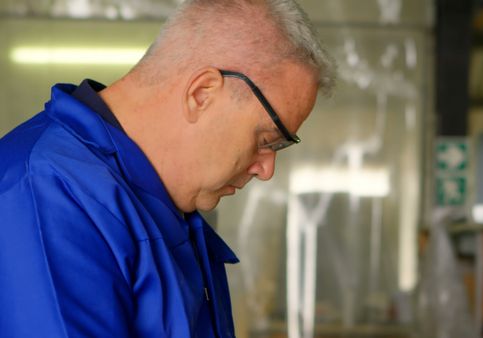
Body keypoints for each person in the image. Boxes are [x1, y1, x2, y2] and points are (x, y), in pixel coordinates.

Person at [0, 0, 335, 337]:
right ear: (202, 93)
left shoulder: (163, 203)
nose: (266, 170)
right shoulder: (49, 192)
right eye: (267, 139)